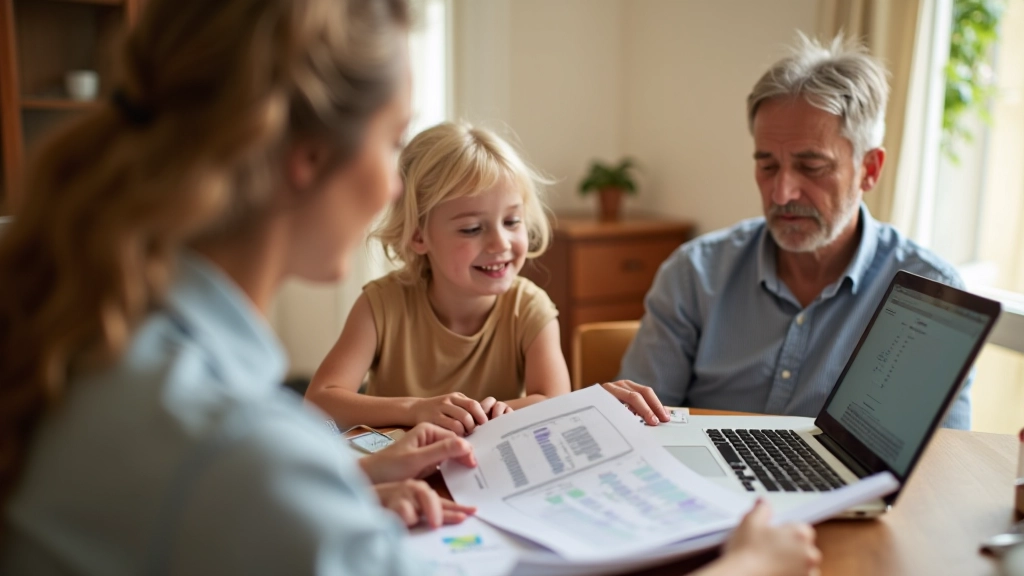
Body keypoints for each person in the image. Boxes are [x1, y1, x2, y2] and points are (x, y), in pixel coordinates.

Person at [0, 0, 820, 574]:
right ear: (307, 158)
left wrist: (348, 486)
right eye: (393, 144)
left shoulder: (101, 344)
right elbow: (236, 483)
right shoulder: (238, 453)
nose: (396, 191)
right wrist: (746, 568)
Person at [618, 34, 971, 429]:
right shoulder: (693, 274)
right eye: (767, 166)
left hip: (851, 492)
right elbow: (635, 427)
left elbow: (937, 462)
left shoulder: (932, 295)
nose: (782, 193)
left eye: (812, 167)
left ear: (869, 169)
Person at [305, 122, 571, 436]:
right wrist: (416, 409)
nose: (501, 243)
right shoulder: (380, 305)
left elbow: (558, 403)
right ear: (419, 236)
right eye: (472, 228)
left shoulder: (529, 308)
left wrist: (499, 413)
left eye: (512, 221)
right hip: (400, 472)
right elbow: (318, 405)